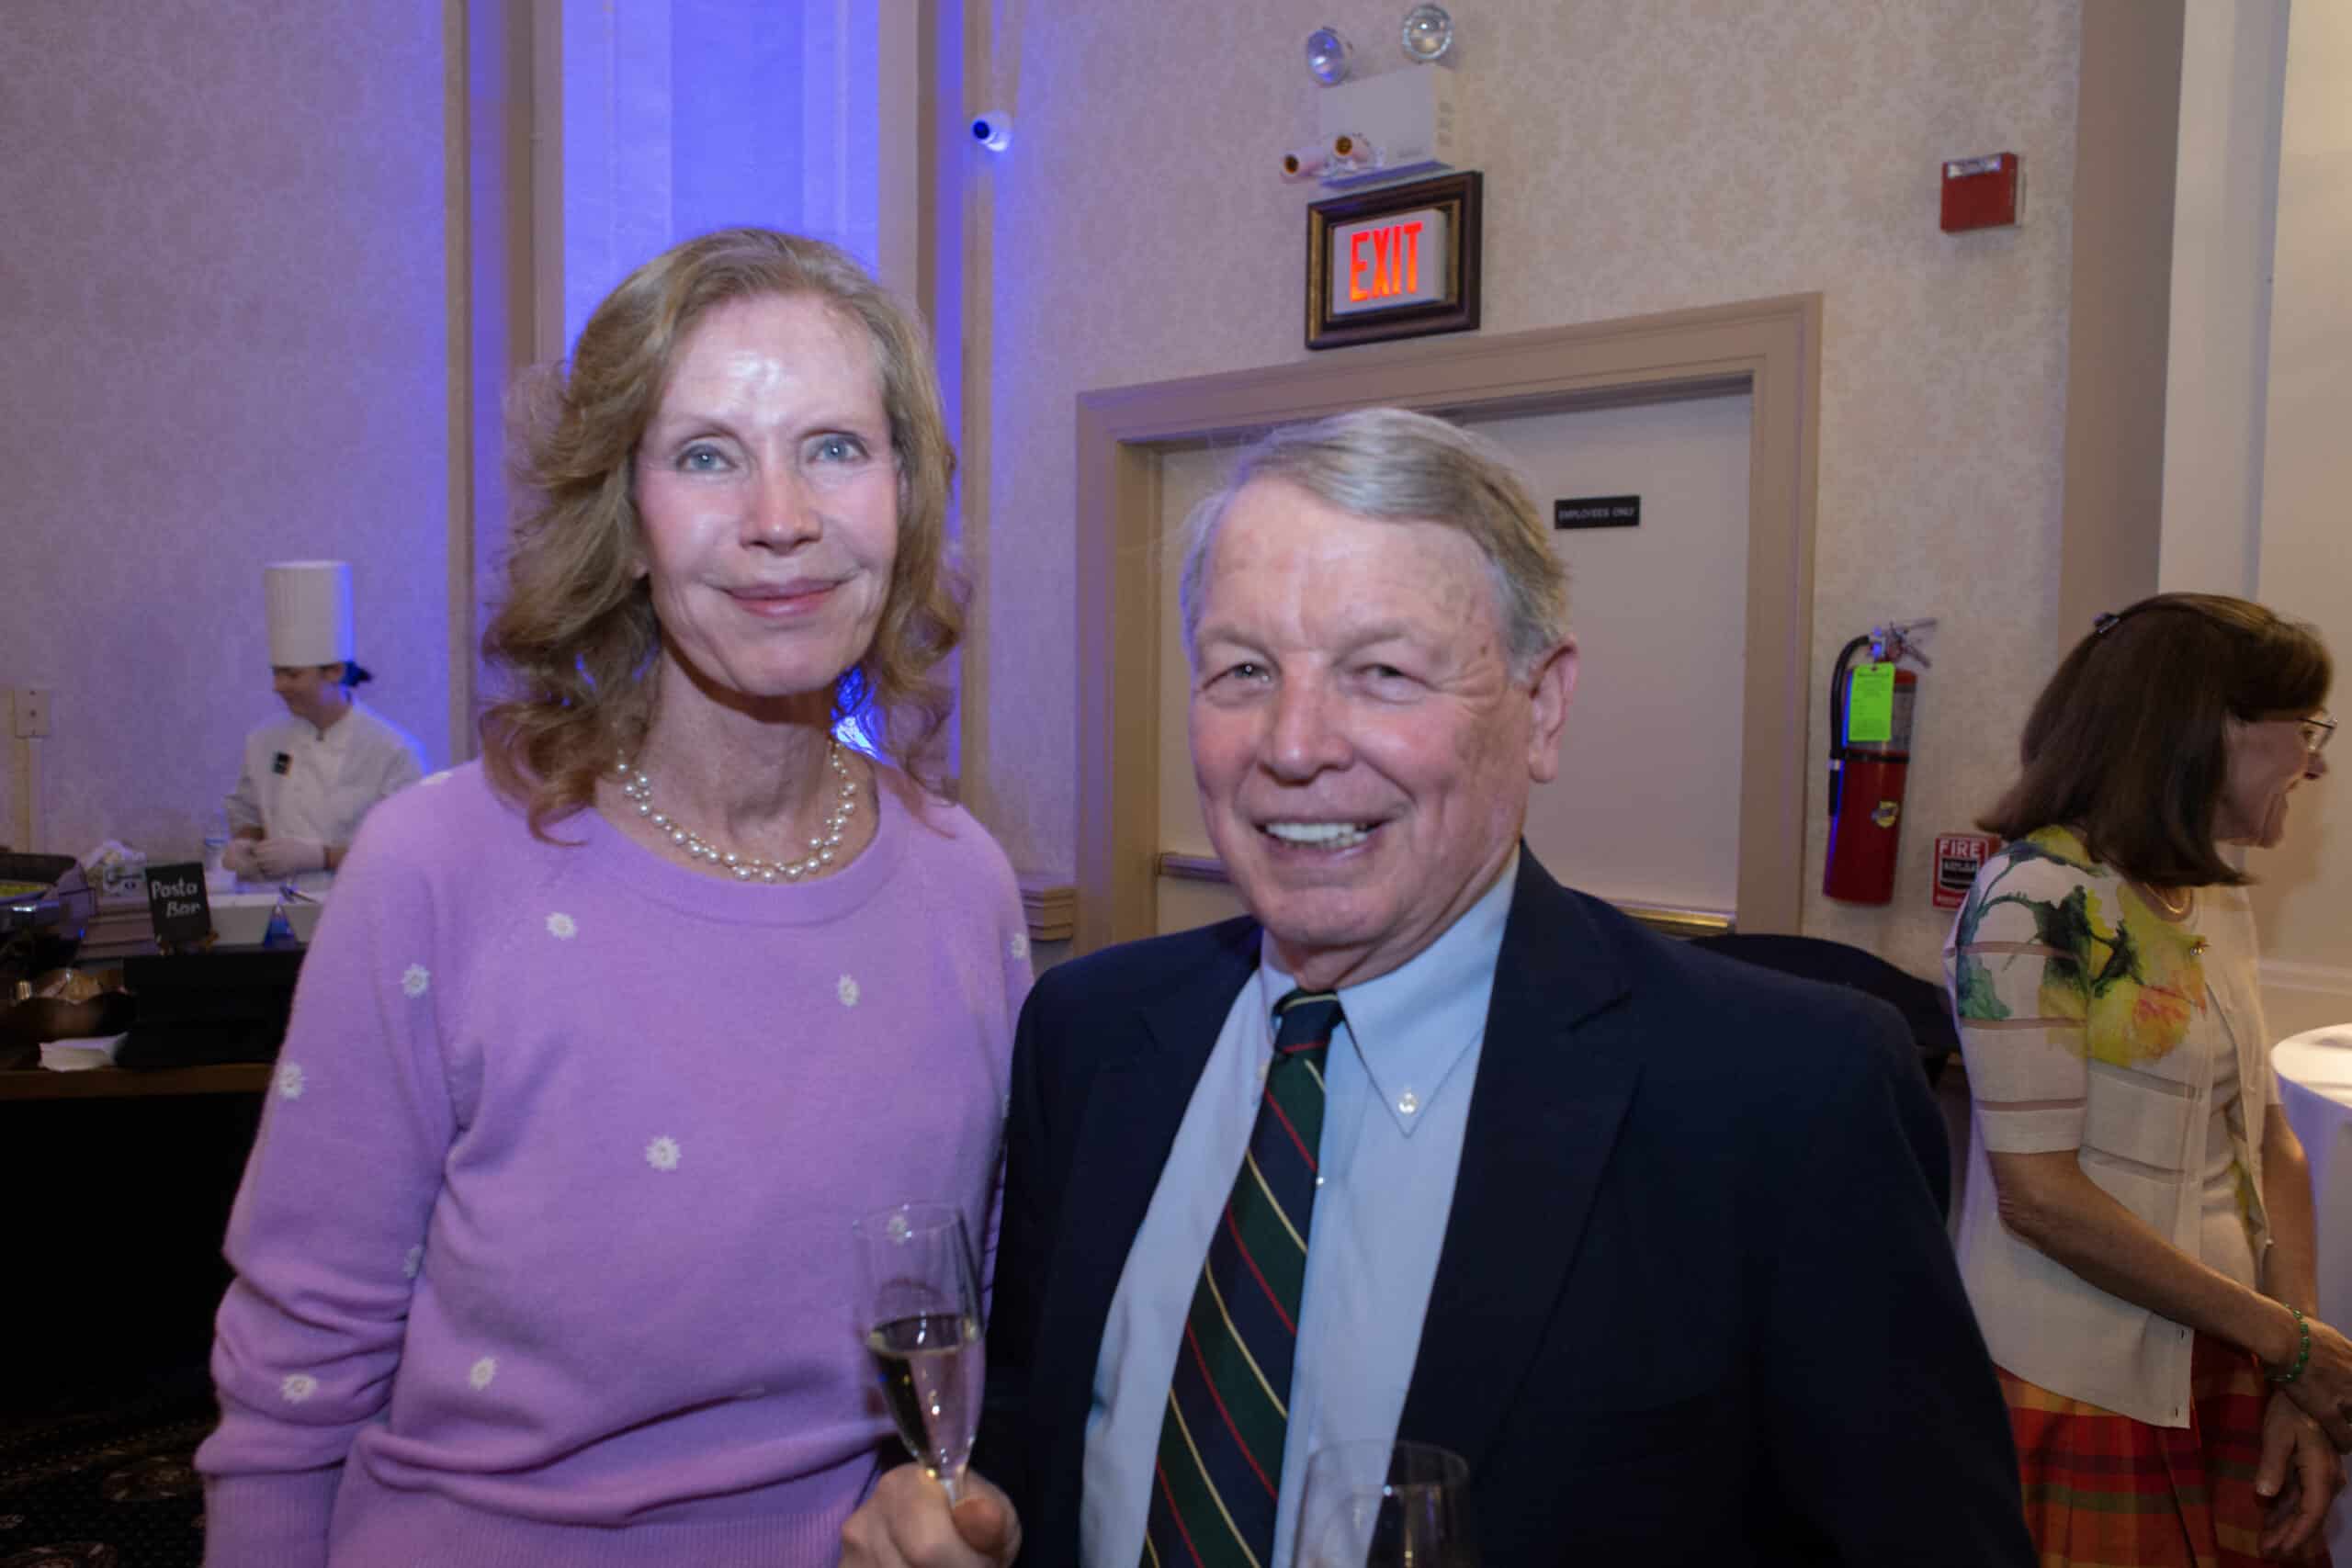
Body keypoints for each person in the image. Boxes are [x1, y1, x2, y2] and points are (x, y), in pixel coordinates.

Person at [842, 407, 2034, 1567]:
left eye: (1383, 671)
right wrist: (955, 1509)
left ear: (1544, 707)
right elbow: (1040, 1429)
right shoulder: (1090, 1034)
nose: (1295, 743)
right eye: (1244, 668)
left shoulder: (1785, 1101)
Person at [195, 229, 1031, 1566]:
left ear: (904, 499)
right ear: (623, 523)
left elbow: (974, 1332)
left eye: (834, 446)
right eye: (707, 452)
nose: (780, 515)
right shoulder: (434, 868)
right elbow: (293, 1388)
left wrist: (951, 1500)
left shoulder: (963, 885)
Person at [1945, 593, 2343, 1566]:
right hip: (2078, 1381)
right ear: (2211, 727)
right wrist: (2286, 1343)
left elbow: (2266, 1139)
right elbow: (2037, 1198)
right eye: (2306, 729)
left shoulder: (2206, 892)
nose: (2317, 762)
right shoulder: (2031, 902)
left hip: (2222, 1353)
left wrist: (2290, 1362)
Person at [220, 559, 427, 888]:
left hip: (358, 910)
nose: (278, 687)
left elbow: (407, 850)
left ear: (335, 673)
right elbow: (247, 811)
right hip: (274, 914)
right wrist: (246, 842)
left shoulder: (393, 751)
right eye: (276, 673)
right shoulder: (264, 741)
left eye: (292, 675)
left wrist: (322, 857)